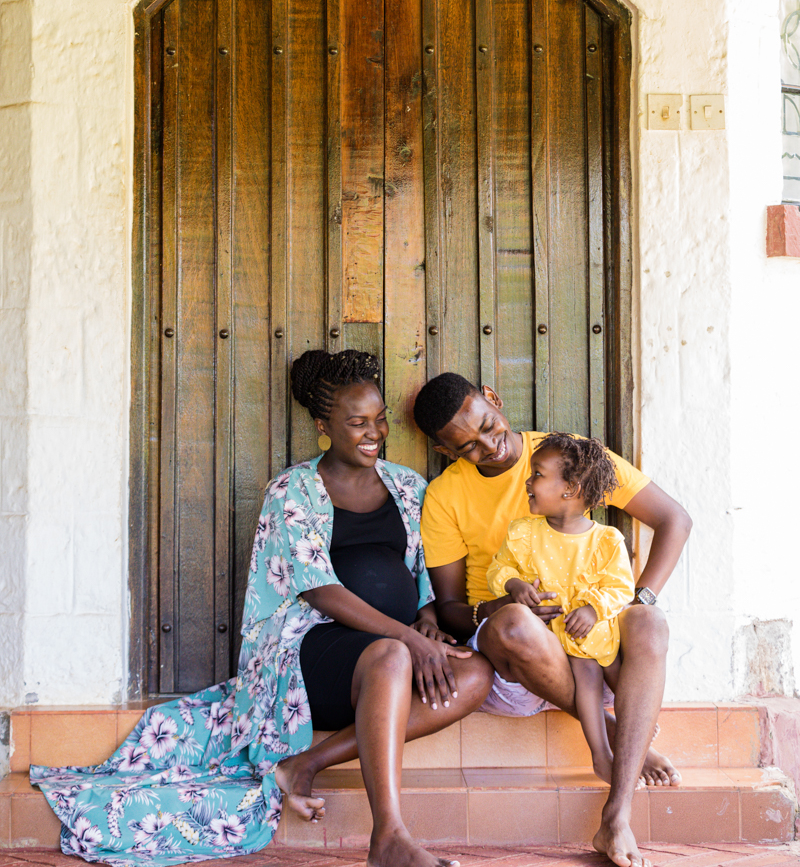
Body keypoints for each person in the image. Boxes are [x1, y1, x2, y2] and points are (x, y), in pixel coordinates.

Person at [31, 351, 492, 867]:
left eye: (380, 419)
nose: (374, 432)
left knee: (474, 674)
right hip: (311, 653)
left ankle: (303, 765)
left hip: (390, 651)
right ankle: (389, 837)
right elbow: (320, 591)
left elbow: (423, 574)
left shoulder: (408, 486)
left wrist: (426, 623)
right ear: (324, 426)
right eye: (357, 422)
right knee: (390, 657)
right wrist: (405, 640)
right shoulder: (292, 490)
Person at [414, 373, 692, 867]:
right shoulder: (444, 497)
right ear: (444, 451)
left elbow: (675, 519)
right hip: (517, 662)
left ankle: (616, 817)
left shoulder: (569, 457)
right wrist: (502, 604)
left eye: (489, 425)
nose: (490, 447)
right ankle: (617, 733)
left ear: (494, 400)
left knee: (649, 622)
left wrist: (632, 600)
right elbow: (454, 608)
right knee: (517, 623)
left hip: (592, 644)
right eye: (469, 448)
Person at [486, 433, 635, 786]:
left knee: (608, 672)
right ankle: (601, 754)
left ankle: (634, 739)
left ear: (570, 488)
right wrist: (514, 585)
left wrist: (594, 610)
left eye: (537, 474)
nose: (528, 481)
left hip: (591, 635)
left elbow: (621, 587)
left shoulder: (606, 540)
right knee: (587, 679)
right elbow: (498, 568)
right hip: (550, 640)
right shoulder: (524, 532)